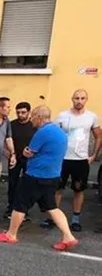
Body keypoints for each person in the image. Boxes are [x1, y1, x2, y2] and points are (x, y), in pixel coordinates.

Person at [0, 105, 78, 251]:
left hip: (36, 175)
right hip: (53, 175)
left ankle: (11, 234)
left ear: (39, 117)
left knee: (20, 204)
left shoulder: (42, 132)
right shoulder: (59, 131)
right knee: (52, 207)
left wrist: (25, 152)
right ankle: (68, 236)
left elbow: (29, 152)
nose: (31, 120)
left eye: (33, 117)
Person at [41, 89, 101, 232]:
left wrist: (93, 155)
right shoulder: (62, 116)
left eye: (82, 98)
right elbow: (54, 134)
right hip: (62, 159)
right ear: (72, 99)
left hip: (80, 160)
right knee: (57, 189)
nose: (79, 101)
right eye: (76, 98)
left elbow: (99, 136)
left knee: (78, 190)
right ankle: (52, 218)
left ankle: (75, 220)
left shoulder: (91, 117)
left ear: (86, 100)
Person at [4, 101, 35, 220]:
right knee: (13, 183)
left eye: (23, 112)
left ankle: (24, 209)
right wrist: (8, 153)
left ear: (29, 112)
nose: (20, 115)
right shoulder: (11, 125)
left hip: (29, 159)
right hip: (14, 158)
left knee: (27, 184)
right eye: (18, 113)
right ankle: (11, 207)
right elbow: (6, 140)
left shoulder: (33, 126)